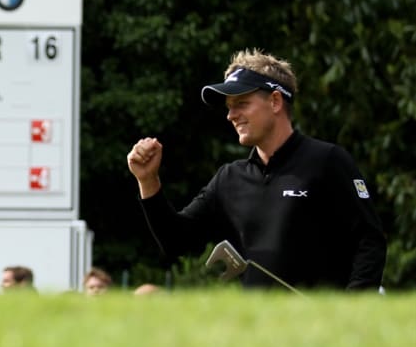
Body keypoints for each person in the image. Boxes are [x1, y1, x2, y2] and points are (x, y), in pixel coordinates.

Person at [127, 49, 387, 291]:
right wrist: (148, 180)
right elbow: (177, 241)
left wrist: (351, 311)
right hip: (259, 333)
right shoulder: (229, 179)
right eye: (229, 107)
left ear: (275, 101)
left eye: (241, 103)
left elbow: (370, 241)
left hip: (322, 330)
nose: (231, 115)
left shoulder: (327, 160)